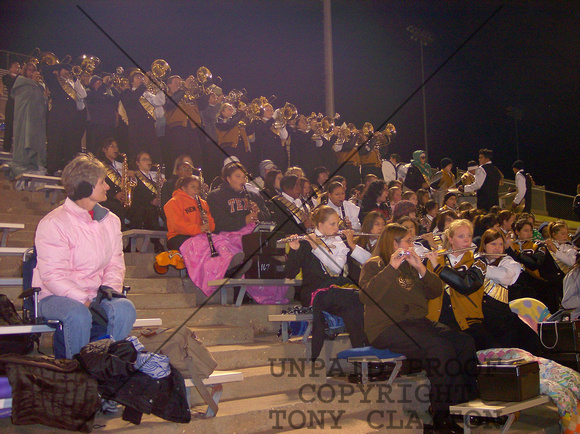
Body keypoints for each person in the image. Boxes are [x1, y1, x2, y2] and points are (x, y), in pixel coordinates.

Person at [359, 223, 477, 432]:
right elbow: (366, 296)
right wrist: (391, 267)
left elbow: (435, 291)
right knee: (438, 347)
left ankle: (462, 406)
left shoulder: (411, 266)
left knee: (463, 342)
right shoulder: (374, 264)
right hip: (387, 327)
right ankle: (440, 414)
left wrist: (421, 268)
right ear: (393, 243)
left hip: (417, 324)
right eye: (408, 241)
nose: (412, 245)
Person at [32, 155, 136, 359]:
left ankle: (108, 365)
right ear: (85, 187)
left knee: (125, 308)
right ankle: (76, 372)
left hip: (96, 294)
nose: (107, 187)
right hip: (55, 296)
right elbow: (52, 277)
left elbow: (115, 265)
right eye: (102, 182)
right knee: (78, 314)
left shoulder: (111, 221)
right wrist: (86, 302)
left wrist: (109, 293)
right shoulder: (54, 223)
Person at [284, 206, 370, 360]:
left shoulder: (339, 242)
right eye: (333, 224)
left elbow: (336, 268)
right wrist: (294, 250)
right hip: (314, 292)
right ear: (320, 225)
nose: (337, 228)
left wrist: (317, 247)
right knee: (352, 298)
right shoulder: (305, 242)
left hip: (336, 291)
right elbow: (289, 273)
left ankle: (362, 355)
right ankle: (363, 354)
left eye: (338, 224)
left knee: (355, 305)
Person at [426, 219, 496, 350]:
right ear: (450, 239)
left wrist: (439, 268)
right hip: (438, 319)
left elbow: (467, 286)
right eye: (461, 236)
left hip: (467, 321)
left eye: (469, 236)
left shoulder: (479, 261)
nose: (467, 240)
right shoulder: (435, 259)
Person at [477, 229, 540, 353]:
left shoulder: (507, 261)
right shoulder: (476, 259)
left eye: (501, 244)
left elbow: (506, 277)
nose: (498, 248)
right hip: (480, 315)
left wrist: (478, 269)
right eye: (493, 244)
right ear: (484, 246)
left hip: (501, 316)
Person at [506, 218, 563, 313]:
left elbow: (534, 264)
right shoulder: (512, 245)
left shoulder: (538, 245)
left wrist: (516, 252)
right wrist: (507, 248)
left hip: (544, 286)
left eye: (531, 231)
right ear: (517, 232)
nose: (529, 234)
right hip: (524, 286)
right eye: (525, 231)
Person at [43, 62, 87, 174]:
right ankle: (52, 167)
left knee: (68, 143)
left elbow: (83, 94)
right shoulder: (54, 79)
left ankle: (64, 168)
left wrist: (76, 80)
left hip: (71, 118)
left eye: (69, 69)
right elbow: (45, 70)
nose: (68, 72)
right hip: (57, 115)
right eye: (65, 69)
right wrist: (58, 68)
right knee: (55, 141)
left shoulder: (72, 83)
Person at [8, 62, 47, 180]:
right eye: (29, 70)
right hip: (24, 118)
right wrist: (34, 82)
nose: (31, 73)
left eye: (33, 70)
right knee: (24, 137)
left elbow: (41, 101)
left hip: (36, 120)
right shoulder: (20, 82)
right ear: (24, 71)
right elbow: (22, 99)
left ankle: (34, 163)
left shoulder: (39, 86)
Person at [207, 161, 270, 234]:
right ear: (228, 179)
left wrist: (258, 212)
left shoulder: (254, 196)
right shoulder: (215, 196)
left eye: (244, 177)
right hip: (226, 239)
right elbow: (219, 223)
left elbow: (268, 219)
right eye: (238, 176)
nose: (242, 179)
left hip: (253, 237)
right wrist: (244, 221)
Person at [164, 75, 210, 173]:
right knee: (179, 157)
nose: (179, 84)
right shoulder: (167, 95)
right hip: (177, 130)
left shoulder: (189, 96)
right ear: (169, 85)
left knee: (196, 157)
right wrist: (184, 87)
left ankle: (197, 179)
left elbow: (202, 106)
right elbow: (169, 105)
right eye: (176, 82)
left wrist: (204, 91)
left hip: (192, 129)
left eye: (180, 82)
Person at [120, 69, 162, 161]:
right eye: (138, 77)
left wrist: (158, 88)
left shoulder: (147, 94)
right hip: (137, 130)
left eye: (142, 77)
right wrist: (144, 85)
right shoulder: (127, 93)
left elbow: (160, 103)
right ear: (131, 81)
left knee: (154, 155)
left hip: (150, 128)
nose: (141, 79)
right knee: (138, 156)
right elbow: (132, 99)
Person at [127, 152, 165, 252]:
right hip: (138, 207)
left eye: (149, 159)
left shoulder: (155, 177)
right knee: (149, 211)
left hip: (152, 207)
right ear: (137, 163)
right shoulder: (134, 175)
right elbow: (136, 195)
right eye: (144, 159)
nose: (148, 162)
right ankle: (156, 243)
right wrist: (150, 201)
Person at [85, 74, 121, 155]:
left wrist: (111, 87)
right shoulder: (89, 92)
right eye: (98, 82)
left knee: (108, 147)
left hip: (109, 125)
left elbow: (118, 98)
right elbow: (97, 98)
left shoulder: (106, 94)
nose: (101, 84)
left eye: (101, 82)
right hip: (97, 125)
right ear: (93, 84)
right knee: (97, 148)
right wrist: (104, 84)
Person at [97, 138, 128, 227]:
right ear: (104, 149)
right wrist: (114, 195)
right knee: (117, 208)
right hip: (106, 198)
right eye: (112, 146)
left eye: (116, 147)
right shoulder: (100, 165)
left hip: (118, 199)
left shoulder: (118, 165)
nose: (115, 149)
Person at [2, 61, 20, 152]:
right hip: (12, 103)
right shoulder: (6, 77)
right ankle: (6, 147)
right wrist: (18, 76)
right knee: (9, 126)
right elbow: (11, 85)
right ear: (10, 69)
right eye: (15, 66)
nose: (17, 68)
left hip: (21, 104)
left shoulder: (21, 77)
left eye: (18, 67)